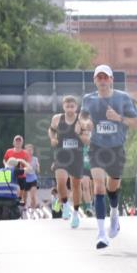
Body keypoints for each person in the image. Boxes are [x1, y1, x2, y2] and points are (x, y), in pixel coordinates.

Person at [81, 64, 137, 249]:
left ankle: (114, 213)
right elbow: (83, 118)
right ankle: (101, 234)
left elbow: (136, 123)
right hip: (97, 148)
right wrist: (87, 123)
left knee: (112, 187)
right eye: (99, 77)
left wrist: (119, 118)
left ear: (111, 80)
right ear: (95, 80)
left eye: (105, 77)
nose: (103, 81)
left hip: (116, 148)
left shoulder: (123, 98)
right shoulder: (88, 99)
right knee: (99, 187)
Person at [48, 95, 90, 228]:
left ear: (76, 107)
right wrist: (52, 138)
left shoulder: (82, 121)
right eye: (67, 106)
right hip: (62, 156)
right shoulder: (57, 118)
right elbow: (51, 130)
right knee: (60, 181)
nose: (70, 109)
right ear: (63, 107)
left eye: (72, 106)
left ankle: (76, 214)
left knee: (76, 186)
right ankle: (65, 205)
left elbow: (87, 141)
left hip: (76, 157)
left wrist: (80, 133)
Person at [3, 135, 32, 215]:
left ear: (22, 143)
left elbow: (28, 164)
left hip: (21, 176)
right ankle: (11, 208)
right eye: (16, 141)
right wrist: (6, 166)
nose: (18, 143)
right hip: (10, 176)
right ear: (13, 142)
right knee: (11, 192)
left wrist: (24, 170)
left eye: (19, 141)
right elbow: (4, 160)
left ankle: (20, 209)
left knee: (21, 195)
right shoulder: (9, 151)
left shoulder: (25, 153)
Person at [22, 144, 41, 219]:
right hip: (25, 179)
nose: (29, 152)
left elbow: (38, 169)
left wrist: (38, 167)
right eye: (28, 150)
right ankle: (24, 210)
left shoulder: (35, 159)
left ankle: (33, 210)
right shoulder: (23, 159)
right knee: (24, 197)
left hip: (33, 179)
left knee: (33, 196)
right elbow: (21, 169)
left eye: (31, 150)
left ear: (33, 151)